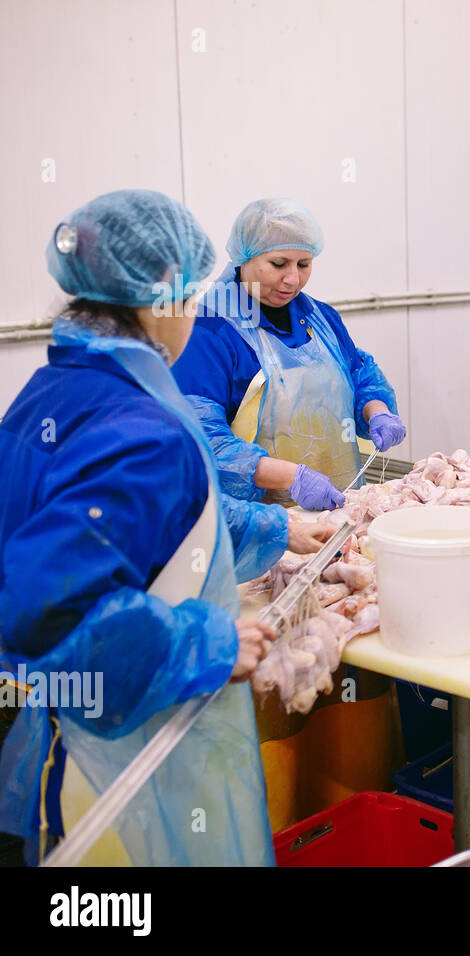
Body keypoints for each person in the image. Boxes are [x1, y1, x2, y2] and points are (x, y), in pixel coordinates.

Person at [0, 190, 330, 866]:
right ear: (160, 304)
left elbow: (171, 529)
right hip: (111, 757)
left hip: (53, 737)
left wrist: (275, 531)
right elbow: (49, 608)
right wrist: (205, 641)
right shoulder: (140, 427)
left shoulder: (56, 390)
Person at [172, 199, 405, 512]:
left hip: (340, 505)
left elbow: (359, 375)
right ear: (244, 258)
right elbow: (202, 441)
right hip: (258, 524)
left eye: (304, 264)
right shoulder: (209, 332)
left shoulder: (320, 317)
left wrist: (376, 411)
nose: (293, 279)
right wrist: (290, 478)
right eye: (279, 264)